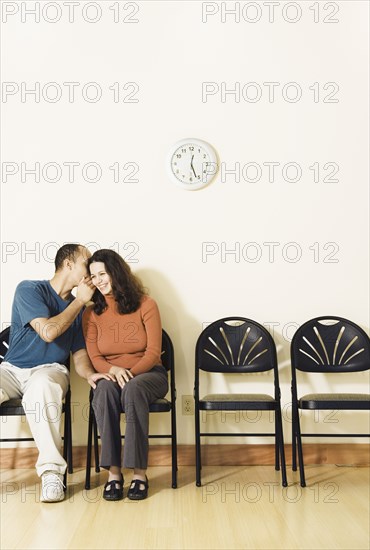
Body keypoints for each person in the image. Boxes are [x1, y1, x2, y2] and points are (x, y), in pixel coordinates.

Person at [0, 244, 113, 502]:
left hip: (50, 371)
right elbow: (49, 331)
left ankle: (51, 474)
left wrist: (88, 375)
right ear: (69, 264)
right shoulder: (29, 289)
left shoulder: (81, 310)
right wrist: (80, 301)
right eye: (87, 262)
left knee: (42, 387)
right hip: (11, 370)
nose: (91, 270)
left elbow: (80, 355)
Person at [82, 249, 168, 501]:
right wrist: (113, 371)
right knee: (104, 390)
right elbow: (95, 357)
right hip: (111, 375)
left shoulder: (146, 304)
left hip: (148, 374)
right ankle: (114, 474)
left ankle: (139, 474)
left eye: (102, 273)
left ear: (116, 272)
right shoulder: (90, 314)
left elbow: (153, 352)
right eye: (93, 276)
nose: (98, 280)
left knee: (132, 389)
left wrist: (128, 373)